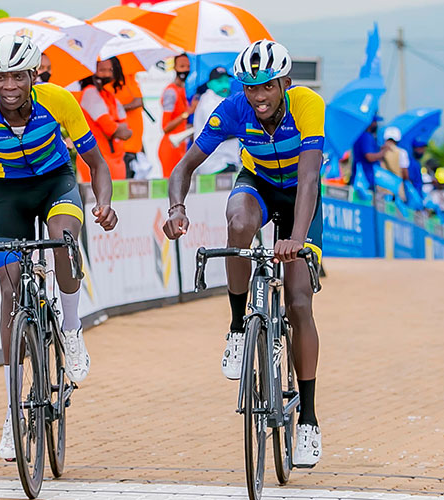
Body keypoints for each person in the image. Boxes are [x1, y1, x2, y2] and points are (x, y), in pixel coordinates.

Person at [0, 35, 117, 461]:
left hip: (57, 183)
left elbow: (96, 162)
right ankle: (12, 411)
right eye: (0, 76)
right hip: (9, 195)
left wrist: (103, 204)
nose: (9, 85)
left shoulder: (59, 101)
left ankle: (73, 330)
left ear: (33, 75)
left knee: (63, 242)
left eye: (18, 75)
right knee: (9, 293)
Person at [163, 40, 325, 468]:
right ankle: (238, 327)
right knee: (237, 224)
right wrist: (176, 208)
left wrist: (298, 239)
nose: (258, 96)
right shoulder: (232, 109)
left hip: (299, 197)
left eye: (267, 86)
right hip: (257, 182)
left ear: (284, 83)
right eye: (250, 88)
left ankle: (307, 419)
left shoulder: (307, 105)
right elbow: (184, 167)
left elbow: (309, 181)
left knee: (298, 303)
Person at [75, 58, 131, 182]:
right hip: (97, 160)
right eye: (102, 70)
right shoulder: (90, 93)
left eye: (110, 70)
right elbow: (111, 128)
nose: (107, 74)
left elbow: (126, 130)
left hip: (115, 158)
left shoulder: (108, 95)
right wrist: (118, 128)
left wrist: (118, 128)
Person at [192, 66, 240, 175]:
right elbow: (221, 130)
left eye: (226, 81)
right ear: (210, 84)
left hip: (223, 162)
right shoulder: (209, 103)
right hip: (216, 164)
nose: (225, 85)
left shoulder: (221, 100)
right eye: (219, 81)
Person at [104, 58, 145, 178]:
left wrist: (117, 108)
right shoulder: (106, 85)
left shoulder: (128, 80)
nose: (108, 72)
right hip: (117, 144)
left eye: (110, 69)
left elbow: (138, 101)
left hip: (130, 143)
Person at [158, 54, 197, 178]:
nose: (185, 69)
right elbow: (165, 127)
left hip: (180, 146)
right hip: (170, 147)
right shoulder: (171, 92)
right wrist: (187, 113)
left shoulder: (184, 89)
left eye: (188, 66)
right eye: (181, 66)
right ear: (174, 68)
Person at [350, 116, 385, 190]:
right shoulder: (366, 136)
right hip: (364, 180)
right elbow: (369, 157)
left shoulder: (359, 135)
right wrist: (382, 153)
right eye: (375, 122)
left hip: (360, 178)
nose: (376, 125)